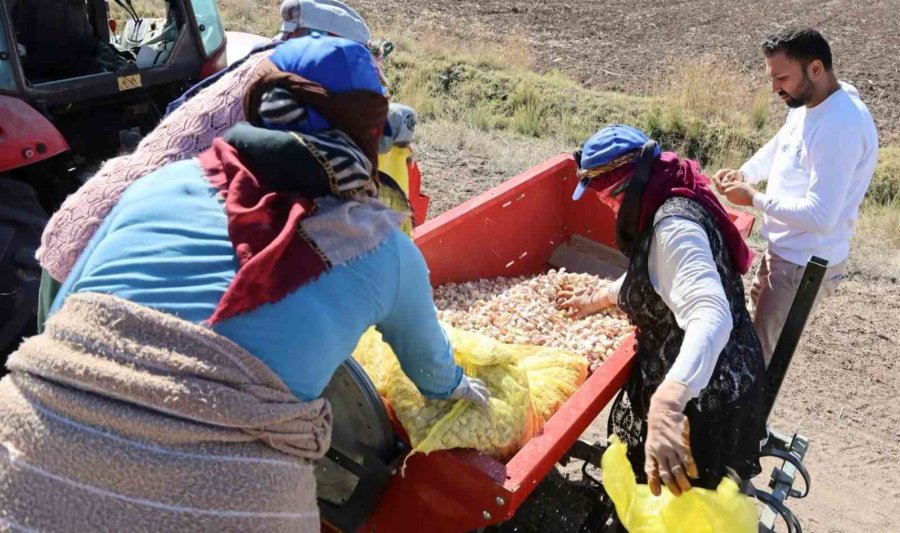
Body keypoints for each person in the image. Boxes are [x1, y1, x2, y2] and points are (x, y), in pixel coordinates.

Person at [0, 36, 489, 532]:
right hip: (224, 504)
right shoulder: (381, 247)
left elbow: (62, 317)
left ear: (261, 107)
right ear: (367, 135)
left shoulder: (158, 185)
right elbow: (431, 370)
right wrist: (460, 386)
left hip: (21, 457)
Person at [34, 0, 394, 330]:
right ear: (322, 43)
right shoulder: (290, 91)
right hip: (109, 256)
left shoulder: (262, 67)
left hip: (89, 220)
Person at [557, 125, 766, 499]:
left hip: (706, 403)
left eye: (606, 199)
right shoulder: (671, 190)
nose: (610, 208)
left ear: (621, 185)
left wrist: (668, 402)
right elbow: (657, 275)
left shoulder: (674, 228)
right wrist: (600, 298)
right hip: (721, 374)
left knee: (677, 508)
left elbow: (710, 312)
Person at [714, 27, 879, 364]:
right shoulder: (810, 102)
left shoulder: (841, 126)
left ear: (815, 69)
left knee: (756, 362)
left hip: (802, 266)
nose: (775, 88)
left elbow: (821, 216)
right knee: (749, 343)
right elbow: (781, 146)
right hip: (784, 254)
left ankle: (751, 418)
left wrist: (755, 199)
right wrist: (745, 173)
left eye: (782, 78)